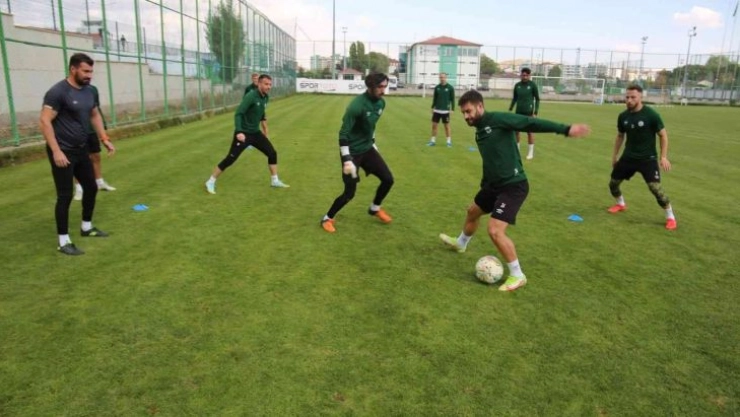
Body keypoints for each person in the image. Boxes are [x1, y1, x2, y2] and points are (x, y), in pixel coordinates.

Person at [439, 90, 590, 291]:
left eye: (469, 111)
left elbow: (530, 123)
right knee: (472, 211)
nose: (466, 116)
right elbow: (491, 160)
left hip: (513, 186)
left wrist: (565, 129)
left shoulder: (499, 119)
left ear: (480, 106)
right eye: (463, 113)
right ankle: (461, 243)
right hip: (493, 185)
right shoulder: (480, 129)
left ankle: (518, 275)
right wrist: (485, 184)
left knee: (495, 230)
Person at [40, 53, 115, 256]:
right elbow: (45, 121)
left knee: (91, 187)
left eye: (91, 71)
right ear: (73, 69)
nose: (89, 75)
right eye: (85, 71)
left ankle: (86, 227)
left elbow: (94, 114)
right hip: (62, 151)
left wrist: (104, 138)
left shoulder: (89, 91)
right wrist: (56, 151)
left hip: (81, 149)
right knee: (65, 195)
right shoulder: (58, 92)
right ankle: (63, 241)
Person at [320, 73, 394, 233]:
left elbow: (371, 126)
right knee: (349, 193)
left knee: (388, 179)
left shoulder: (381, 103)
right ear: (371, 86)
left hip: (367, 149)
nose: (383, 90)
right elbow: (343, 133)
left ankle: (375, 208)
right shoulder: (356, 106)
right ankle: (327, 218)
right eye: (380, 87)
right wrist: (347, 159)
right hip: (352, 152)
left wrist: (373, 144)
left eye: (385, 86)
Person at [607, 84, 677, 230]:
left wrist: (663, 157)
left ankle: (670, 217)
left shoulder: (651, 115)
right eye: (627, 97)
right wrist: (614, 156)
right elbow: (620, 136)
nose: (629, 100)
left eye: (633, 97)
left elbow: (663, 135)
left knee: (655, 188)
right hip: (628, 158)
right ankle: (620, 204)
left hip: (647, 159)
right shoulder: (623, 116)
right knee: (613, 184)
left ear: (640, 97)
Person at [205, 74, 289, 193]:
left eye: (270, 84)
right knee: (230, 159)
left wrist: (265, 130)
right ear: (259, 84)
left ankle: (274, 180)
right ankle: (211, 181)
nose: (269, 87)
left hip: (255, 133)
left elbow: (261, 113)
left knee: (272, 153)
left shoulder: (265, 97)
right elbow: (238, 113)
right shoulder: (251, 96)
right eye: (266, 84)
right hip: (243, 134)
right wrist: (239, 131)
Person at [74, 84, 116, 201]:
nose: (88, 76)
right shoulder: (67, 90)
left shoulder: (93, 89)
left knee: (96, 156)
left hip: (91, 130)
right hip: (77, 131)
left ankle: (99, 182)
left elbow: (96, 109)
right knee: (79, 160)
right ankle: (79, 188)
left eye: (90, 74)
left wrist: (103, 127)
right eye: (85, 73)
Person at [509, 67, 540, 160]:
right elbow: (515, 98)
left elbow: (537, 99)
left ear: (529, 76)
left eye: (527, 75)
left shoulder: (532, 85)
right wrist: (511, 108)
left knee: (529, 132)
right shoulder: (517, 85)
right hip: (518, 112)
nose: (525, 77)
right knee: (516, 132)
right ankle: (517, 152)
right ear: (521, 75)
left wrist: (535, 112)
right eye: (523, 75)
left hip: (529, 113)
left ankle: (530, 153)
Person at [427, 72, 455, 147]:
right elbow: (435, 98)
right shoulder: (437, 87)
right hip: (437, 110)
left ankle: (448, 142)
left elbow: (452, 99)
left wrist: (452, 109)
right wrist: (432, 107)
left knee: (446, 126)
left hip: (445, 111)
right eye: (441, 77)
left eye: (443, 77)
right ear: (439, 78)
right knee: (434, 126)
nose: (442, 79)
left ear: (446, 78)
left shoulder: (450, 88)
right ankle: (432, 141)